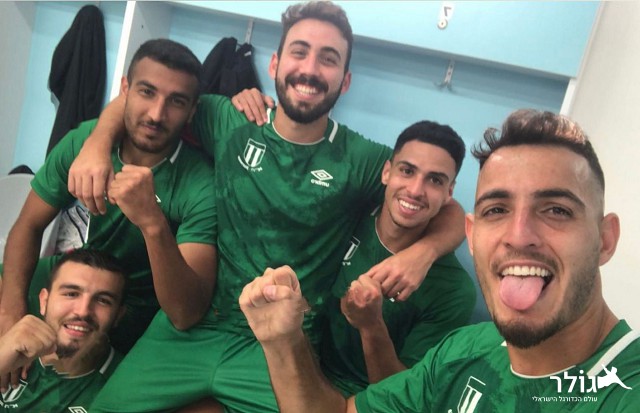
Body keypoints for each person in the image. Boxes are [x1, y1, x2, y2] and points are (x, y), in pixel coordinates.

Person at [77, 2, 465, 412]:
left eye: (328, 59)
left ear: (345, 80)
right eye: (299, 52)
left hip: (281, 341)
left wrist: (423, 254)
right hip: (196, 330)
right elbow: (143, 97)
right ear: (276, 63)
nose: (310, 69)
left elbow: (448, 207)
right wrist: (96, 145)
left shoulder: (362, 160)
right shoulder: (227, 119)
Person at [240, 109, 640, 412]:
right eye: (497, 210)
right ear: (472, 234)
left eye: (556, 210)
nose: (519, 236)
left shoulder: (624, 388)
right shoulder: (462, 351)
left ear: (605, 240)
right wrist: (281, 340)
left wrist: (375, 320)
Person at [0, 37, 217, 370]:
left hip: (140, 304)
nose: (156, 114)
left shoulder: (199, 182)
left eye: (176, 101)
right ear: (125, 89)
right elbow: (28, 225)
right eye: (147, 92)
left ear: (192, 111)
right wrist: (11, 313)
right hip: (81, 275)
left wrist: (152, 222)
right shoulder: (84, 142)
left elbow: (185, 312)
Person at [320, 120, 476, 395]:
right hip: (307, 367)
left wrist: (371, 326)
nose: (415, 190)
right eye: (407, 171)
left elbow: (404, 396)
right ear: (386, 172)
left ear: (449, 193)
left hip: (369, 400)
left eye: (435, 180)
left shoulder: (454, 291)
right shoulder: (348, 213)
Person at [0, 249, 127, 412]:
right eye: (71, 294)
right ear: (44, 301)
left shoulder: (123, 387)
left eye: (103, 300)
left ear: (118, 315)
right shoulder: (10, 340)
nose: (83, 311)